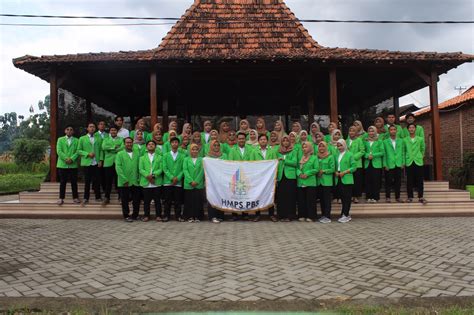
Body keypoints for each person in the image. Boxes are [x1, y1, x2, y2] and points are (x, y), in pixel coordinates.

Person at [251, 134, 277, 222]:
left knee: (270, 195)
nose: (263, 141)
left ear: (267, 141)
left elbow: (275, 164)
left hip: (269, 177)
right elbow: (251, 164)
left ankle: (271, 214)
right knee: (258, 195)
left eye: (265, 139)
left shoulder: (272, 151)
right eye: (261, 139)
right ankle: (257, 214)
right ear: (258, 141)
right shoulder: (254, 151)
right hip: (258, 178)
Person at [228, 132, 254, 220]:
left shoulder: (250, 149)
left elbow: (251, 162)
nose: (241, 140)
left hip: (246, 175)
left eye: (243, 138)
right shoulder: (232, 150)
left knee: (245, 194)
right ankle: (234, 214)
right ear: (237, 140)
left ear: (245, 140)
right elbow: (230, 162)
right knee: (235, 195)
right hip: (236, 175)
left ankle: (245, 214)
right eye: (239, 138)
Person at [115, 137, 140, 222]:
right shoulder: (120, 154)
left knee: (136, 200)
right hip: (124, 182)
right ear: (124, 144)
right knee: (125, 200)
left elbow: (139, 166)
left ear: (133, 143)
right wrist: (124, 179)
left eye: (130, 142)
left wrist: (139, 178)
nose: (129, 144)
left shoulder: (137, 153)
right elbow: (118, 167)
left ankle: (135, 215)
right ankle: (126, 215)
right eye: (127, 143)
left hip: (135, 181)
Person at [78, 122, 103, 205]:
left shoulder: (98, 138)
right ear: (87, 128)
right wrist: (87, 154)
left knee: (97, 181)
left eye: (93, 127)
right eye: (90, 127)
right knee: (87, 181)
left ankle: (98, 197)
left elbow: (101, 150)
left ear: (95, 129)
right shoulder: (82, 138)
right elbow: (78, 150)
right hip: (87, 162)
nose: (92, 128)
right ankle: (86, 198)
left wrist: (100, 160)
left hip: (96, 162)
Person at [139, 140, 163, 222]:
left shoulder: (160, 157)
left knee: (157, 201)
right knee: (146, 201)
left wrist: (153, 176)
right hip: (146, 182)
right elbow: (141, 169)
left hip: (156, 182)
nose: (151, 145)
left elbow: (161, 168)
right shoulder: (142, 158)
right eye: (149, 144)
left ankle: (159, 215)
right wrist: (148, 176)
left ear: (155, 147)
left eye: (153, 144)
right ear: (146, 147)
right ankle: (146, 216)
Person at [162, 137, 185, 222]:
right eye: (173, 142)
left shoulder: (182, 156)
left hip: (178, 182)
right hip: (168, 182)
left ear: (178, 144)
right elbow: (164, 168)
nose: (175, 144)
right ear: (170, 144)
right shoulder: (165, 155)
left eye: (176, 142)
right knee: (167, 200)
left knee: (178, 200)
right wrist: (171, 177)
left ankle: (178, 216)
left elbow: (183, 169)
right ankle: (166, 216)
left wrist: (178, 177)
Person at [56, 125, 80, 205]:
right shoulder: (60, 139)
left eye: (71, 129)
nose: (69, 131)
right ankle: (61, 198)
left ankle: (75, 198)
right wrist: (66, 159)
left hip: (73, 164)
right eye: (67, 129)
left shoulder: (77, 140)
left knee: (74, 182)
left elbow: (78, 151)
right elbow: (59, 151)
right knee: (63, 182)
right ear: (65, 131)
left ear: (73, 131)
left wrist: (72, 159)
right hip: (62, 164)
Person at [404, 123, 427, 204]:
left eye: (413, 127)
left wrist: (420, 156)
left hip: (418, 161)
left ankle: (421, 196)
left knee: (420, 180)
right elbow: (404, 151)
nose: (411, 129)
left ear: (415, 129)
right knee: (409, 180)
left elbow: (422, 148)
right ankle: (410, 197)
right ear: (408, 129)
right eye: (410, 127)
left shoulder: (420, 139)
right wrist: (404, 161)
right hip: (409, 161)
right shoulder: (405, 139)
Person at [276, 135, 297, 221]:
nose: (285, 142)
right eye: (283, 141)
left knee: (290, 196)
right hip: (281, 176)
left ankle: (290, 216)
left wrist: (284, 160)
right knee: (281, 197)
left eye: (287, 141)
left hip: (290, 176)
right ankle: (281, 215)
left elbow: (295, 163)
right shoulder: (278, 151)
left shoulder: (293, 151)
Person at [101, 125, 124, 205]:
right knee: (108, 181)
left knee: (119, 180)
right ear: (109, 131)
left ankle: (121, 197)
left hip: (118, 162)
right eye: (111, 130)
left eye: (114, 130)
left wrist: (110, 149)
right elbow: (104, 147)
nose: (113, 131)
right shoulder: (105, 139)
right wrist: (115, 147)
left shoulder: (121, 139)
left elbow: (122, 148)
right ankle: (107, 197)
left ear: (117, 131)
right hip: (108, 163)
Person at [334, 139, 356, 223]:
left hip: (346, 177)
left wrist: (345, 172)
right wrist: (335, 172)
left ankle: (345, 214)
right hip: (338, 177)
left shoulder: (349, 154)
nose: (339, 147)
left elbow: (354, 167)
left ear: (344, 145)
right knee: (342, 197)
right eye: (338, 145)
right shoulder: (336, 155)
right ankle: (344, 213)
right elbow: (335, 166)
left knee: (347, 198)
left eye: (341, 145)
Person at [297, 141, 319, 222]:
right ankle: (302, 215)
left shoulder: (314, 158)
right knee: (301, 200)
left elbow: (316, 169)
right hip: (301, 181)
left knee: (310, 200)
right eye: (303, 147)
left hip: (310, 181)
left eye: (306, 147)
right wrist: (299, 173)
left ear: (310, 148)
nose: (304, 149)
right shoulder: (300, 157)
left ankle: (311, 216)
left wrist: (307, 173)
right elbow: (296, 167)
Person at [206, 140, 228, 223]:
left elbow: (227, 166)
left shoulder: (224, 155)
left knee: (221, 197)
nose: (216, 147)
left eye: (218, 145)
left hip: (221, 181)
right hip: (212, 182)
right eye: (214, 145)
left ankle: (220, 215)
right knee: (212, 198)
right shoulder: (207, 157)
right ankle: (212, 216)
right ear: (211, 146)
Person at [183, 143, 205, 222]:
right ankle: (189, 216)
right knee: (189, 201)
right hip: (189, 184)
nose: (195, 151)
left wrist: (196, 181)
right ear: (190, 150)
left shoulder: (201, 159)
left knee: (198, 201)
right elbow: (185, 170)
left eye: (196, 149)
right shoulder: (186, 159)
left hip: (198, 184)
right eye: (193, 149)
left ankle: (198, 217)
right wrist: (190, 181)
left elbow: (202, 171)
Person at [383, 124, 405, 203]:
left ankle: (398, 197)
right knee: (388, 181)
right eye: (391, 130)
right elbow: (384, 154)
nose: (393, 131)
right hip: (389, 164)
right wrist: (385, 164)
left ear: (396, 131)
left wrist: (403, 163)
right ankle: (388, 197)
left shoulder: (401, 141)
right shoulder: (385, 142)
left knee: (398, 182)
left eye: (394, 130)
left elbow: (402, 152)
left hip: (398, 163)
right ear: (389, 131)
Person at [364, 126, 384, 203]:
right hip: (367, 163)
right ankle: (368, 197)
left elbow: (382, 152)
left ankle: (375, 197)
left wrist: (373, 155)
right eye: (369, 131)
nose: (371, 133)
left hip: (376, 164)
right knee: (368, 181)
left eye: (372, 131)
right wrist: (366, 155)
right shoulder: (365, 141)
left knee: (376, 181)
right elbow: (363, 151)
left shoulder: (379, 141)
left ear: (375, 132)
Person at [317, 141, 335, 223]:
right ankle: (323, 215)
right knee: (322, 199)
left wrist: (323, 171)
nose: (321, 148)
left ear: (326, 147)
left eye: (323, 146)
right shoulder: (316, 157)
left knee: (327, 200)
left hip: (327, 181)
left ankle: (327, 216)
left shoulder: (330, 157)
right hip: (319, 181)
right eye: (320, 146)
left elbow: (332, 169)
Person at [346, 126, 365, 203]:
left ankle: (356, 196)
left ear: (356, 132)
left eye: (353, 131)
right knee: (349, 181)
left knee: (357, 181)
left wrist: (353, 157)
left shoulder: (359, 140)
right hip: (347, 164)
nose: (351, 132)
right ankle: (350, 195)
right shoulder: (346, 141)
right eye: (350, 131)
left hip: (357, 164)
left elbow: (362, 151)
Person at [95, 120, 109, 194]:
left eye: (104, 124)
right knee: (97, 174)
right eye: (100, 124)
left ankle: (104, 189)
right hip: (97, 158)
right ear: (98, 126)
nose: (102, 126)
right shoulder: (95, 135)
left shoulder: (108, 135)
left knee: (105, 175)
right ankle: (96, 189)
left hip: (107, 157)